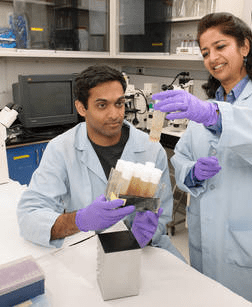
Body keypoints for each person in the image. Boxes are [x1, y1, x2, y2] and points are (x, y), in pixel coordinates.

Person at [152, 12, 252, 307]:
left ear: (244, 47)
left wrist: (216, 116)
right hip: (204, 233)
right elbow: (181, 157)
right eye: (205, 52)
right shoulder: (204, 106)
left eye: (220, 47)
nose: (212, 58)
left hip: (246, 240)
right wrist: (192, 172)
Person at [17, 64, 182, 259]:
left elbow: (162, 214)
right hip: (88, 251)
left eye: (119, 103)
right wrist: (79, 220)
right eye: (102, 105)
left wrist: (147, 233)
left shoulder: (151, 150)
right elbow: (29, 215)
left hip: (145, 252)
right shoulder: (61, 149)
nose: (114, 114)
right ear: (81, 107)